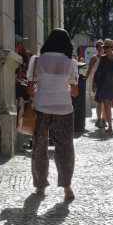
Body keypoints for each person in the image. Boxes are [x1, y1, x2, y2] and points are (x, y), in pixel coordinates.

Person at [27, 28, 78, 200]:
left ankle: (40, 186)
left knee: (39, 147)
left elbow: (29, 88)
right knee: (65, 147)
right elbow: (75, 92)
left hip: (41, 108)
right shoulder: (71, 63)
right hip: (63, 109)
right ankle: (67, 187)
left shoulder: (36, 61)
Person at [93, 39, 113, 133]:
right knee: (106, 106)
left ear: (112, 48)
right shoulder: (102, 58)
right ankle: (110, 126)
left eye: (107, 47)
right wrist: (94, 82)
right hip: (104, 85)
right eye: (104, 47)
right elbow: (98, 70)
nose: (106, 49)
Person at [84, 40, 105, 128]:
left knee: (106, 102)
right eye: (97, 46)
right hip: (97, 81)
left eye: (101, 46)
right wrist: (84, 79)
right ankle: (99, 119)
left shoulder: (108, 57)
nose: (99, 47)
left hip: (106, 81)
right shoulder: (94, 58)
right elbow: (89, 70)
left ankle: (104, 119)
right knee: (99, 101)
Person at [15, 35, 33, 102]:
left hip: (18, 82)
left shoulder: (19, 57)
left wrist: (26, 82)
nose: (23, 45)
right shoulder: (13, 58)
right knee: (27, 90)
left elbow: (20, 76)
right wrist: (25, 83)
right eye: (21, 43)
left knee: (31, 88)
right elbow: (14, 78)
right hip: (12, 85)